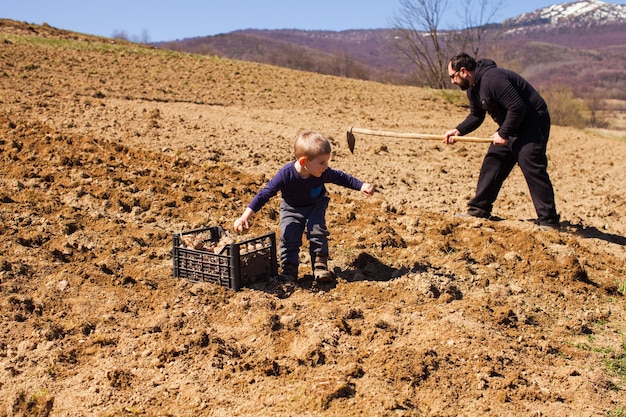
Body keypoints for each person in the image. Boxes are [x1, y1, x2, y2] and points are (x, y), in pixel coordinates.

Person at [234, 131, 375, 283]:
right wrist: (245, 216)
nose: (325, 166)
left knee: (317, 230)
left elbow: (341, 177)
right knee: (289, 235)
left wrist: (361, 186)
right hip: (291, 208)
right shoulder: (285, 175)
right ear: (303, 162)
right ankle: (289, 270)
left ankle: (320, 266)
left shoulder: (323, 173)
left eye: (327, 162)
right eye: (322, 163)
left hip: (315, 205)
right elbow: (265, 194)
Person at [443, 53, 560, 231]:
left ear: (464, 71)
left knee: (532, 167)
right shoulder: (473, 88)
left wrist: (503, 133)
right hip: (510, 124)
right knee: (493, 162)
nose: (452, 81)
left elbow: (518, 107)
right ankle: (479, 209)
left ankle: (548, 221)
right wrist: (458, 130)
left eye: (453, 76)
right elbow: (476, 115)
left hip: (532, 124)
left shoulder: (494, 79)